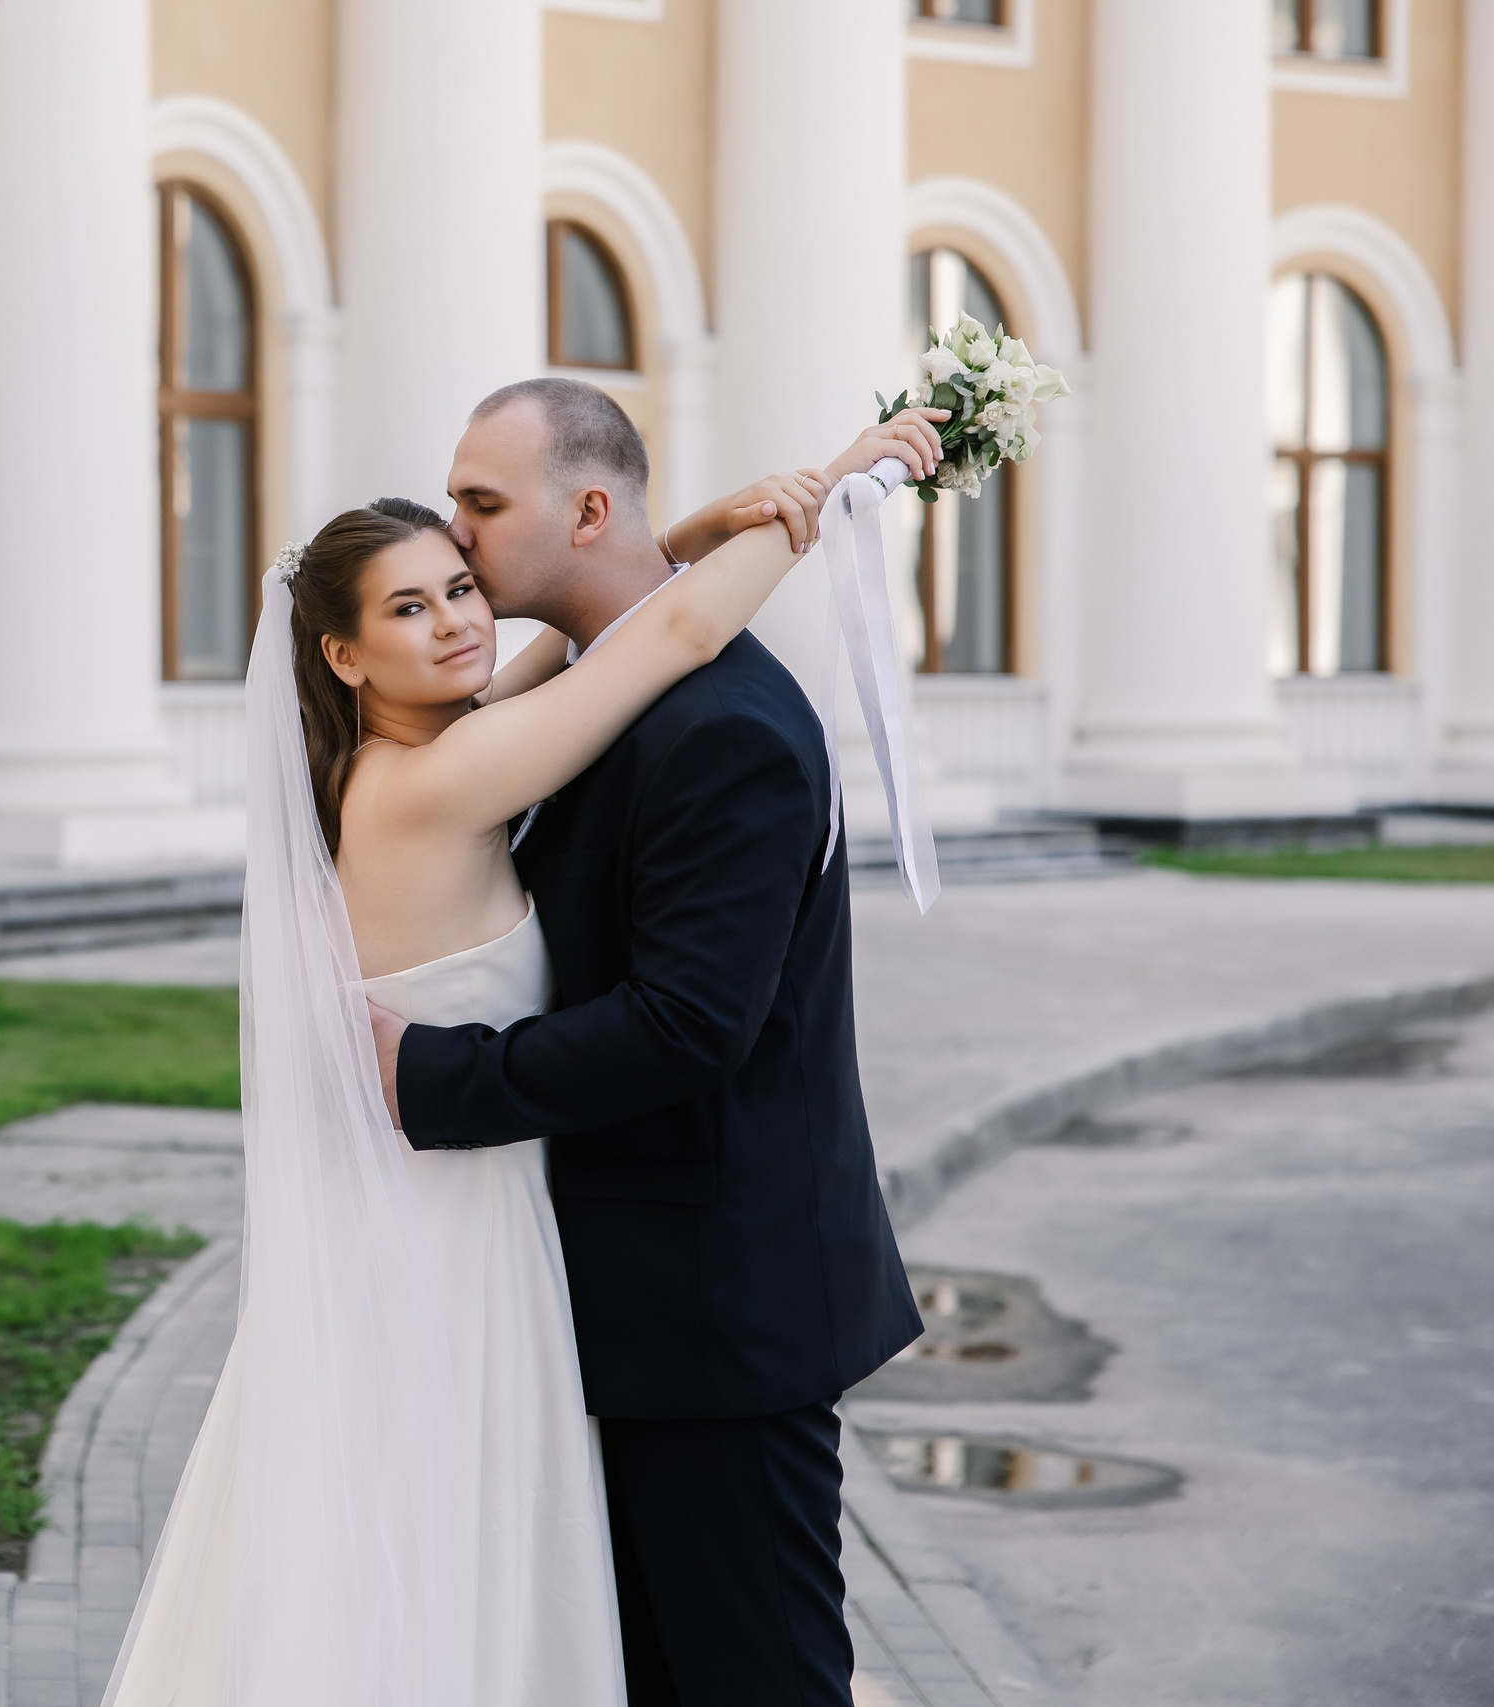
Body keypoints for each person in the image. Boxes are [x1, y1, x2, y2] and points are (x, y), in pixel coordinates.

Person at [99, 378, 943, 1707]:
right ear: (339, 655)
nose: (462, 579)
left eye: (474, 527)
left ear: (585, 509)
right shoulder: (454, 765)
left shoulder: (667, 731)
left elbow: (688, 1022)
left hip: (702, 1308)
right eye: (413, 597)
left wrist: (764, 509)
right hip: (479, 1254)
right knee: (482, 1611)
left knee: (726, 1667)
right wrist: (810, 494)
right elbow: (654, 638)